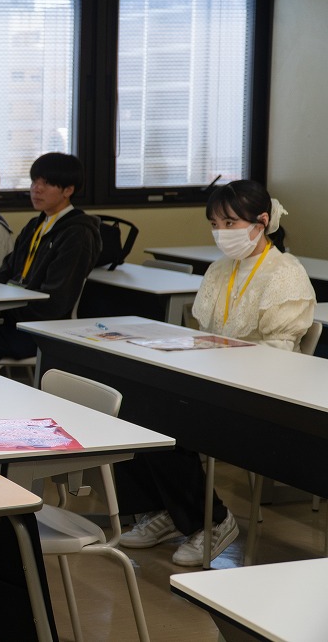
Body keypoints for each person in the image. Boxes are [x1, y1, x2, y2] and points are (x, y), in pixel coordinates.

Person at [117, 180, 315, 567]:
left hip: (259, 393)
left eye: (229, 223)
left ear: (261, 222)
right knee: (131, 408)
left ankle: (213, 521)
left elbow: (280, 354)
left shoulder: (285, 274)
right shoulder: (220, 269)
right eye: (215, 224)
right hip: (214, 381)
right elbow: (204, 333)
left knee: (166, 422)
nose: (221, 233)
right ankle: (167, 511)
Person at [0, 152, 101, 370]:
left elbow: (55, 301)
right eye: (34, 182)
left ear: (68, 190)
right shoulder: (34, 226)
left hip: (42, 329)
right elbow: (5, 272)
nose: (36, 189)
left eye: (46, 183)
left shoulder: (77, 234)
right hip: (14, 319)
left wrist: (3, 311)